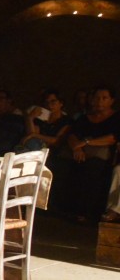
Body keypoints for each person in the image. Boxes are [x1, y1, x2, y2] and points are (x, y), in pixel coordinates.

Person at [53, 86, 120, 222]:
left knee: (93, 167)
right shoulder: (85, 118)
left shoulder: (116, 117)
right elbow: (72, 135)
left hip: (101, 152)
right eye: (97, 97)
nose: (100, 101)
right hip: (80, 151)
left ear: (111, 100)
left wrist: (87, 142)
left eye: (104, 98)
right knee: (61, 165)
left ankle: (86, 212)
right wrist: (77, 148)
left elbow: (113, 138)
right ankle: (59, 208)